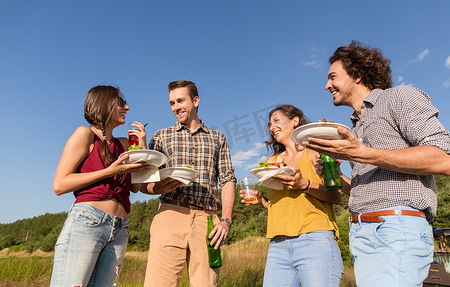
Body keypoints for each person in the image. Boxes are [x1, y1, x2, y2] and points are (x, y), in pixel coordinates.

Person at [303, 40, 450, 286]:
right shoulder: (355, 126)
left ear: (358, 74)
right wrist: (340, 179)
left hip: (396, 229)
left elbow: (443, 158)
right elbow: (370, 184)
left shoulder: (399, 97)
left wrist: (362, 153)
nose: (326, 85)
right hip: (363, 233)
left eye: (333, 77)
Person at [50, 85, 149, 286]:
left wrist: (142, 149)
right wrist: (109, 171)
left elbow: (136, 188)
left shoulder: (123, 144)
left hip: (121, 227)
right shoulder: (85, 135)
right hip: (88, 221)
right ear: (104, 104)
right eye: (121, 102)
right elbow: (59, 185)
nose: (127, 108)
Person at [141, 80, 236, 287]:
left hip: (208, 220)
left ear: (196, 100)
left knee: (206, 284)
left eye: (180, 101)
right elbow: (144, 181)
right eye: (172, 103)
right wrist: (158, 188)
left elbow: (227, 179)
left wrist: (226, 220)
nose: (176, 107)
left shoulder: (218, 138)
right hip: (170, 214)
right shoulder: (161, 136)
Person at [240, 104, 344, 287]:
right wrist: (262, 201)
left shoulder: (314, 153)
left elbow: (337, 197)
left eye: (277, 121)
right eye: (270, 124)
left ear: (294, 121)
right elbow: (282, 205)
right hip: (278, 244)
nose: (272, 127)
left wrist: (304, 184)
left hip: (315, 240)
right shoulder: (271, 163)